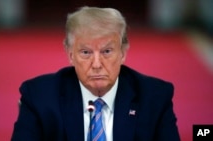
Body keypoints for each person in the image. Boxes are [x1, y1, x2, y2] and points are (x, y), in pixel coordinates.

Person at [11, 6, 180, 141]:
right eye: (86, 52)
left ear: (123, 53)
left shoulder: (155, 97)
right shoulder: (39, 97)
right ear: (70, 55)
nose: (97, 64)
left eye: (107, 51)